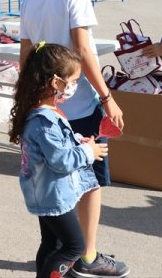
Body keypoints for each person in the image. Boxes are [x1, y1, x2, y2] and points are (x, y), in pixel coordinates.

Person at [18, 0, 128, 278]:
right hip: (79, 106)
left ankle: (60, 253)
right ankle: (87, 254)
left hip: (48, 108)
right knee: (90, 182)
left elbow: (25, 57)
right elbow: (82, 49)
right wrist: (107, 97)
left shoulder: (30, 1)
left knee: (55, 184)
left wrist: (28, 102)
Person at [9, 43, 107, 278]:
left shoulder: (45, 110)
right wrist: (88, 152)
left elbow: (56, 146)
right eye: (72, 81)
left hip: (47, 191)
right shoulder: (44, 121)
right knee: (74, 247)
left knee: (51, 244)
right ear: (56, 82)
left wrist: (78, 141)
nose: (74, 87)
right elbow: (60, 160)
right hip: (53, 194)